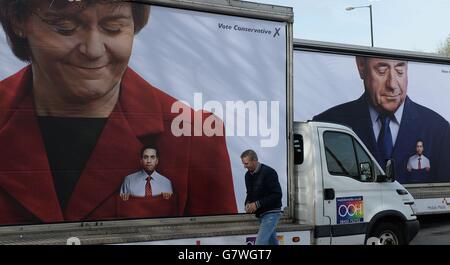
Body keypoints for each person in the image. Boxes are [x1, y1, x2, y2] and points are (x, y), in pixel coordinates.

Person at [0, 0, 237, 225]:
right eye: (66, 27)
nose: (92, 50)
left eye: (113, 28)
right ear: (18, 21)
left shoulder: (195, 134)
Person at [313, 56, 450, 184]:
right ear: (361, 66)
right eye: (382, 70)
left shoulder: (439, 130)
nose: (392, 84)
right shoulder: (327, 124)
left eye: (400, 71)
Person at [241, 149, 282, 245]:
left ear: (254, 160)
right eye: (243, 164)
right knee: (272, 242)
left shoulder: (269, 172)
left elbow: (277, 195)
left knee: (260, 243)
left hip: (272, 213)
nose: (244, 166)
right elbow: (249, 194)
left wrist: (257, 204)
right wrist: (247, 204)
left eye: (246, 164)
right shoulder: (247, 175)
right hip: (261, 214)